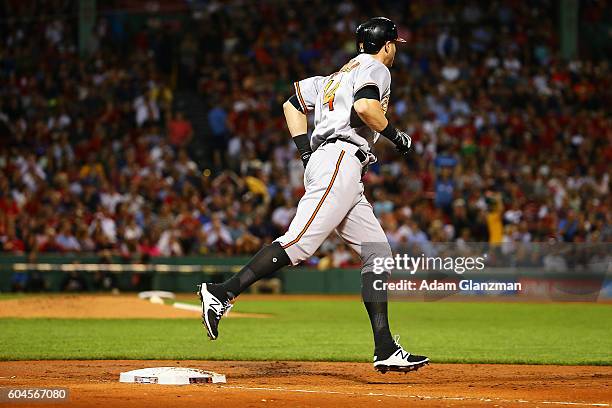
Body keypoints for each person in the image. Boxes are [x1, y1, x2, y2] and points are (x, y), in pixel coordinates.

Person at [198, 17, 429, 374]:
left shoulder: (331, 78)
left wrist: (306, 152)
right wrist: (398, 138)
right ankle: (222, 292)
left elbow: (291, 104)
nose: (395, 49)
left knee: (378, 255)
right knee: (299, 243)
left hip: (336, 163)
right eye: (394, 43)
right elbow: (367, 109)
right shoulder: (375, 68)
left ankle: (385, 347)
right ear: (385, 45)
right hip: (340, 159)